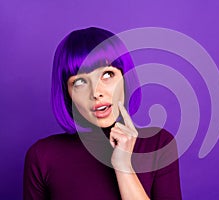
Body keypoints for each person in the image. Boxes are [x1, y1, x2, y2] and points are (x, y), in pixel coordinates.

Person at [23, 27, 182, 200]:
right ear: (67, 93)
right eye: (80, 82)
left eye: (107, 74)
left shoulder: (159, 144)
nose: (96, 92)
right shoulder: (43, 156)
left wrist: (123, 166)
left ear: (125, 79)